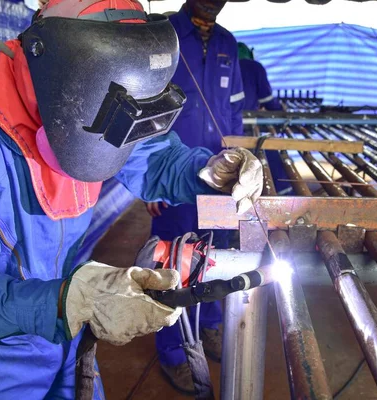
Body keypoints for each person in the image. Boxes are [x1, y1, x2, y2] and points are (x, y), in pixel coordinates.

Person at [0, 1, 262, 398]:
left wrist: (208, 173)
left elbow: (153, 156)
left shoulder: (87, 99)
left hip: (68, 342)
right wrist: (66, 300)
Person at [145, 0, 246, 394]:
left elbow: (234, 114)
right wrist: (151, 179)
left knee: (216, 253)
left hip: (216, 176)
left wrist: (236, 163)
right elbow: (145, 110)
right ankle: (172, 351)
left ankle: (210, 326)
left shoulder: (227, 43)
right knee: (171, 262)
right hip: (172, 175)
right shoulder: (163, 35)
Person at [237, 41, 290, 193]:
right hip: (249, 123)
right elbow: (268, 101)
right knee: (269, 156)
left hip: (228, 125)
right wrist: (281, 110)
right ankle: (282, 193)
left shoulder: (223, 66)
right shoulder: (254, 67)